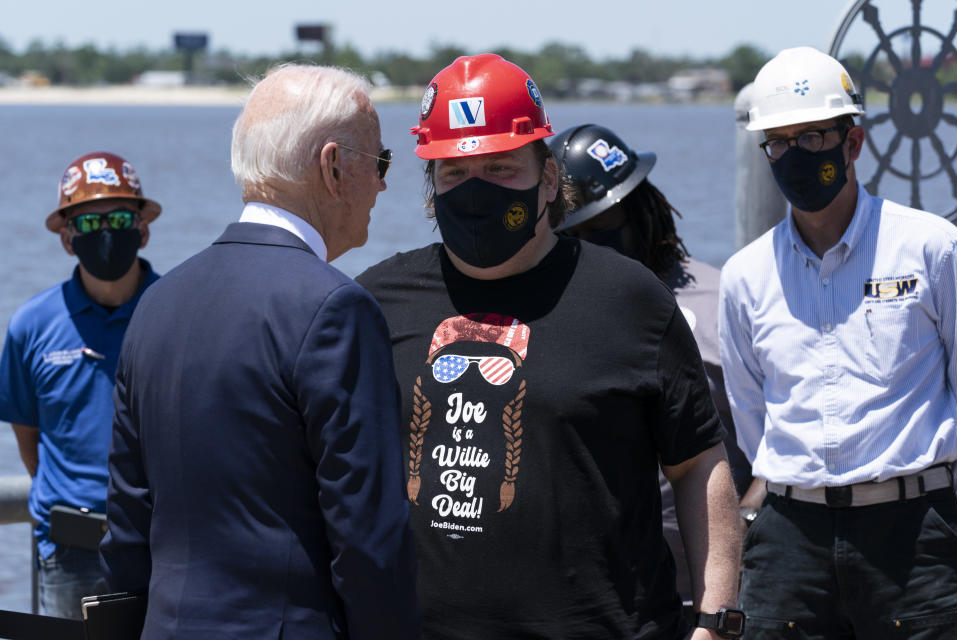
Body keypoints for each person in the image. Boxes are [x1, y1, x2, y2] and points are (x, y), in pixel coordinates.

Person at [357, 53, 743, 640]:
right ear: (429, 187)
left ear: (548, 177)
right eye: (455, 173)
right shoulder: (376, 303)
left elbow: (698, 465)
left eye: (501, 168)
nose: (477, 190)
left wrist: (716, 622)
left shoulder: (631, 299)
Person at [98, 64, 421, 639]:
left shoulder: (157, 302)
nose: (383, 185)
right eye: (381, 163)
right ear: (333, 167)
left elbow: (127, 523)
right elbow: (369, 541)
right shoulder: (335, 309)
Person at [719, 46, 957, 639]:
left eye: (813, 138)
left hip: (915, 533)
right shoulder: (745, 275)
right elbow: (752, 417)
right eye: (779, 141)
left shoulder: (932, 249)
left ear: (853, 143)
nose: (795, 155)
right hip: (788, 539)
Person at [548, 124, 752, 603]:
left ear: (642, 209)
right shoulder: (551, 310)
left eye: (604, 226)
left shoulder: (721, 298)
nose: (592, 245)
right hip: (596, 586)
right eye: (574, 233)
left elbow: (778, 432)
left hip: (708, 583)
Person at [0, 151, 161, 619]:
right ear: (67, 238)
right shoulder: (31, 325)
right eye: (88, 224)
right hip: (68, 548)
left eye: (120, 218)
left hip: (162, 544)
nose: (105, 232)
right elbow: (28, 434)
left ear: (143, 228)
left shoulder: (175, 311)